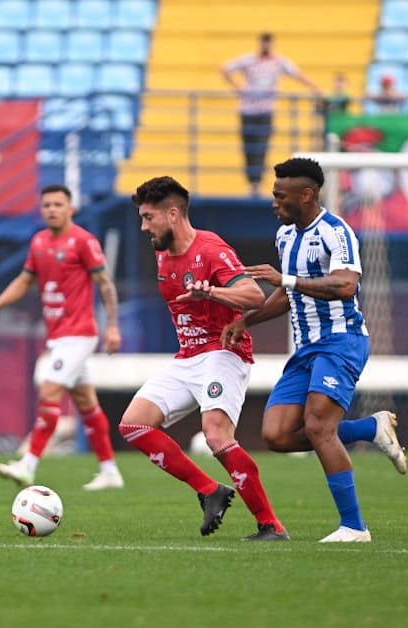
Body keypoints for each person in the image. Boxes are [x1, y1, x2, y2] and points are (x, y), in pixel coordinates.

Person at [221, 157, 408, 544]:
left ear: (305, 195)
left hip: (341, 341)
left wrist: (286, 278)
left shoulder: (336, 232)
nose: (273, 203)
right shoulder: (285, 236)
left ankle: (355, 527)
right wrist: (246, 320)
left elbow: (345, 286)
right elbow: (287, 295)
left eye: (279, 196)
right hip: (306, 350)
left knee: (320, 427)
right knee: (276, 435)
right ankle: (370, 428)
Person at [119, 176, 290, 540]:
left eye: (149, 217)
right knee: (133, 425)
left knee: (215, 436)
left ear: (174, 213)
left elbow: (254, 296)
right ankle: (210, 490)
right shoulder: (162, 251)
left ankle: (271, 525)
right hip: (188, 356)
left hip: (223, 352)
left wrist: (211, 292)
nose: (143, 226)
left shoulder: (211, 249)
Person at [0, 184, 125, 492]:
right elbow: (24, 280)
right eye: (47, 205)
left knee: (49, 390)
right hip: (58, 335)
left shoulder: (83, 241)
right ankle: (110, 471)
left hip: (80, 333)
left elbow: (105, 283)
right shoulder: (39, 242)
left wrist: (112, 326)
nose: (52, 209)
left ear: (71, 208)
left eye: (58, 204)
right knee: (87, 404)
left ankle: (28, 465)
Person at [221, 32, 322, 197]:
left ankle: (257, 183)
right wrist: (239, 88)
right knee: (249, 146)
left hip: (266, 110)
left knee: (261, 146)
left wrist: (317, 88)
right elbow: (226, 68)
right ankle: (252, 182)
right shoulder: (250, 60)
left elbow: (298, 74)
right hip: (248, 109)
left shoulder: (278, 62)